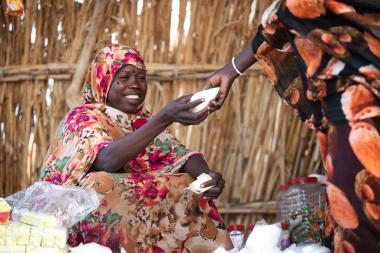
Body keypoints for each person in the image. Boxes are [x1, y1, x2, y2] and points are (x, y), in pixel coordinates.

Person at [205, 1, 380, 252]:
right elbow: (284, 17)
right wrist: (230, 70)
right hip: (338, 106)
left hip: (360, 100)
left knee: (360, 221)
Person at [40, 45, 233, 253]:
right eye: (124, 77)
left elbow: (179, 155)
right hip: (75, 226)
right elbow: (106, 160)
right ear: (102, 81)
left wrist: (206, 176)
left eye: (141, 78)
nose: (135, 85)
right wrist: (164, 118)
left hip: (141, 229)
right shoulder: (81, 118)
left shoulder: (143, 122)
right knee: (102, 183)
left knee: (190, 181)